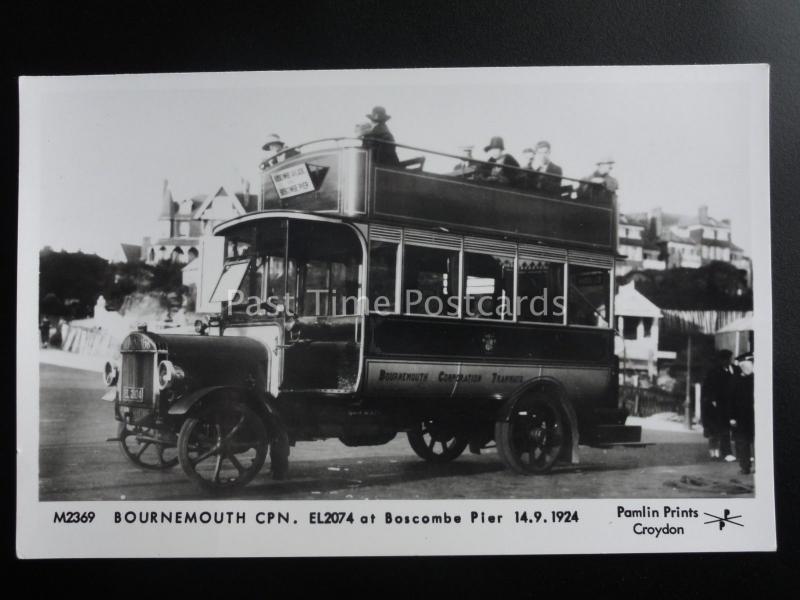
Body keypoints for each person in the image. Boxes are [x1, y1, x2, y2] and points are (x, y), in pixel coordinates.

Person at [701, 349, 739, 460]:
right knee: (722, 430)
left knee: (734, 430)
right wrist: (713, 401)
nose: (730, 361)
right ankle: (725, 453)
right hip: (720, 406)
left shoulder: (736, 370)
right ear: (723, 360)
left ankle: (738, 452)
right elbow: (709, 389)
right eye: (728, 359)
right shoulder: (714, 372)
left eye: (730, 358)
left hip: (735, 404)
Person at [729, 352, 755, 474]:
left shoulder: (741, 379)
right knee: (744, 442)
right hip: (744, 416)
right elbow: (732, 399)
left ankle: (747, 467)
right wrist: (732, 416)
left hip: (747, 416)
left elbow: (732, 398)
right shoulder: (739, 380)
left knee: (745, 441)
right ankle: (746, 466)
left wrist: (732, 417)